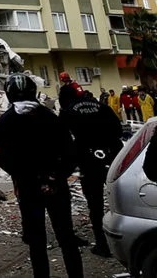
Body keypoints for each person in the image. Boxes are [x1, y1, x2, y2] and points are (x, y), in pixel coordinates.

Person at [0, 74, 83, 278]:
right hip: (56, 186)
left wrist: (22, 174)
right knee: (66, 236)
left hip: (27, 188)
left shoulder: (6, 121)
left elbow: (2, 157)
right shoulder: (50, 117)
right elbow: (70, 152)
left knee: (36, 241)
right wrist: (56, 175)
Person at [60, 91, 122, 257]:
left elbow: (63, 139)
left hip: (87, 161)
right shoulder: (102, 107)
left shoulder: (69, 111)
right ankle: (123, 238)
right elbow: (117, 129)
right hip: (112, 157)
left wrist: (70, 164)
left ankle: (102, 244)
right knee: (118, 198)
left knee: (95, 204)